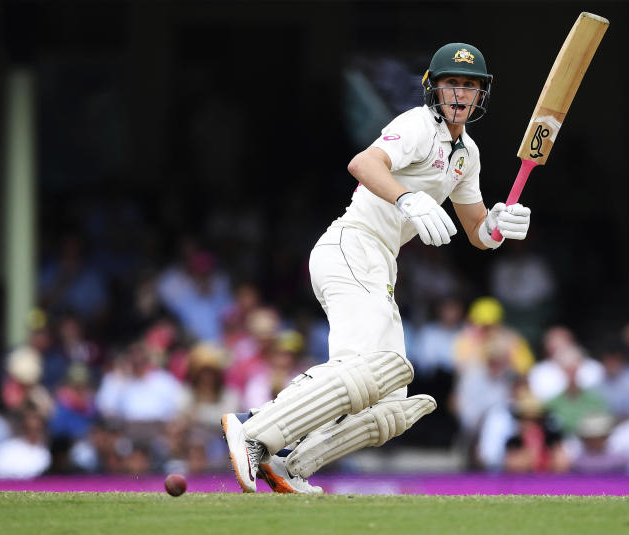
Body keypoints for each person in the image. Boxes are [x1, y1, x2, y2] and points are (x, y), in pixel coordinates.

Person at [222, 43, 532, 493]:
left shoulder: (468, 155)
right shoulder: (417, 125)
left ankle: (290, 463)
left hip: (380, 267)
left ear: (481, 94)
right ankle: (255, 429)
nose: (461, 94)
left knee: (390, 402)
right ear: (434, 89)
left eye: (470, 85)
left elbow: (477, 231)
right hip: (351, 247)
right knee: (373, 364)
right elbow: (363, 163)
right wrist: (407, 197)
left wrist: (500, 224)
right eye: (452, 84)